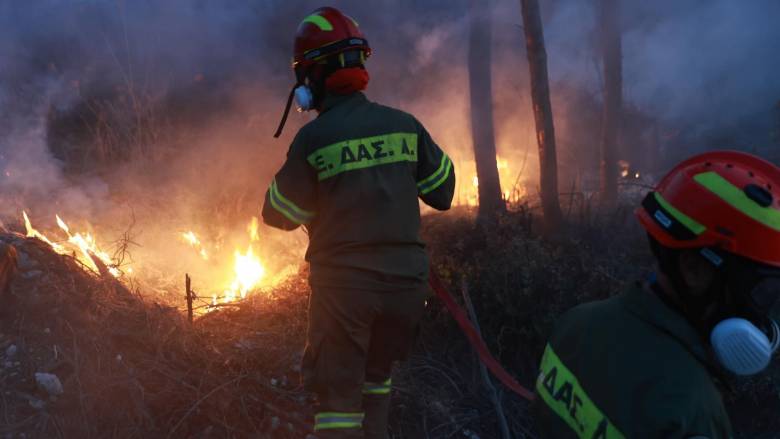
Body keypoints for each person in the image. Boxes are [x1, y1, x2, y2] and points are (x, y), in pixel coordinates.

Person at [262, 6, 455, 438]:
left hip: (346, 294)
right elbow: (443, 191)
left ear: (313, 77)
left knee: (338, 406)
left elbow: (278, 214)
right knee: (376, 384)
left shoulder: (314, 138)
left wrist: (331, 202)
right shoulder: (405, 126)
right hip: (405, 292)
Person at [535, 150, 780, 438]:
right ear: (694, 268)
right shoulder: (692, 411)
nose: (761, 312)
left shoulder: (575, 324)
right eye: (759, 289)